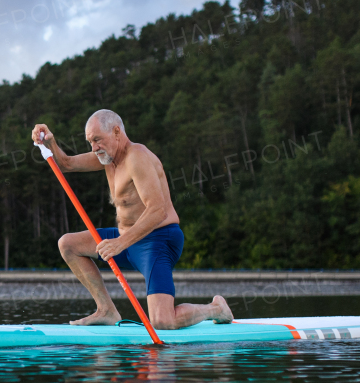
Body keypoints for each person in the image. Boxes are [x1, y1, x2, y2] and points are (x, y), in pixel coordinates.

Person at [31, 109, 233, 328]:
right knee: (68, 244)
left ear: (117, 132)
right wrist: (50, 143)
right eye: (90, 142)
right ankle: (106, 310)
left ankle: (216, 309)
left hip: (158, 239)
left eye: (97, 140)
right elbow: (67, 164)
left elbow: (158, 211)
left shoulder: (137, 156)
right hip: (126, 239)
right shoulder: (107, 158)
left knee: (162, 321)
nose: (94, 147)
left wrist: (119, 243)